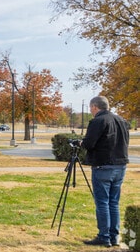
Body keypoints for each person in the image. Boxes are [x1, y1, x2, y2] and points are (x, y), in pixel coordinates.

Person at [81, 95, 129, 247]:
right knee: (113, 202)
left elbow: (89, 143)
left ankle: (104, 236)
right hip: (120, 165)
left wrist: (81, 142)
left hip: (103, 165)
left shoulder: (98, 121)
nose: (91, 111)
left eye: (90, 108)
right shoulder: (121, 120)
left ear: (95, 107)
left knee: (102, 202)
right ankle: (114, 237)